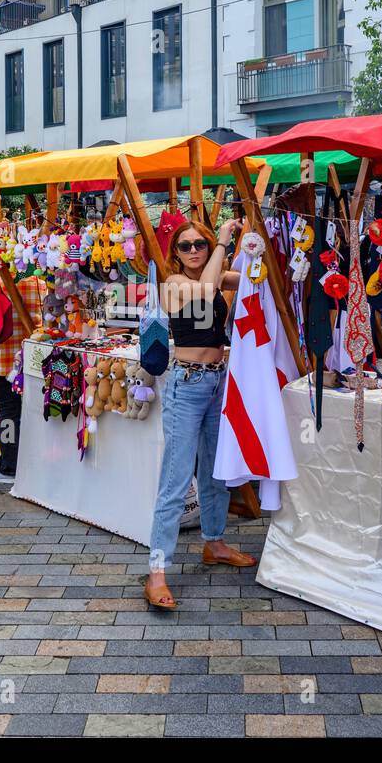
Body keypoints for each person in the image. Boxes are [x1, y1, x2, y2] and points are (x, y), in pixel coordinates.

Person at [144, 217, 255, 611]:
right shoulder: (174, 284)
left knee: (214, 470)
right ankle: (157, 571)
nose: (193, 250)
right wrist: (223, 240)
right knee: (175, 481)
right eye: (185, 246)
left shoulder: (219, 275)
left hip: (218, 382)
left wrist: (254, 245)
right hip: (186, 385)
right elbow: (206, 291)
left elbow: (257, 280)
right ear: (175, 253)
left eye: (200, 244)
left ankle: (215, 542)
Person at [0, 273, 47, 485]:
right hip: (30, 357)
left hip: (2, 359)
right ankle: (30, 460)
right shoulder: (39, 282)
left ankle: (9, 465)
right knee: (31, 411)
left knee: (8, 413)